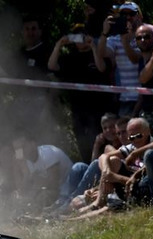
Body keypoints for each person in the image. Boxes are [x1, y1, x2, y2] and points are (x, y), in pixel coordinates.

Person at [48, 24, 111, 161]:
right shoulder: (69, 57)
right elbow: (52, 66)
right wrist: (59, 44)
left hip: (97, 107)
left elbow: (101, 68)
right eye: (76, 37)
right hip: (77, 107)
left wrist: (93, 46)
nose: (80, 40)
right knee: (82, 140)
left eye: (83, 36)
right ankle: (86, 165)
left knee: (98, 139)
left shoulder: (97, 54)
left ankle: (100, 165)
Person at [97, 2, 153, 117]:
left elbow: (135, 59)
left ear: (139, 16)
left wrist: (125, 41)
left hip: (146, 97)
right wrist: (104, 33)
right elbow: (102, 54)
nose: (127, 17)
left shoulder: (144, 38)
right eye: (123, 14)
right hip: (126, 97)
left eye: (131, 14)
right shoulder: (114, 39)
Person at [77, 117, 153, 213]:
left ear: (148, 131)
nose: (135, 140)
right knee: (112, 161)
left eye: (138, 136)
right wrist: (107, 173)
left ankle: (99, 203)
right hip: (122, 185)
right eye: (131, 137)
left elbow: (141, 177)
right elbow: (103, 157)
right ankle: (98, 202)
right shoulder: (131, 147)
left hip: (140, 187)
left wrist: (113, 178)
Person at [1, 133, 73, 214]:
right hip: (58, 190)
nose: (21, 151)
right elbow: (24, 188)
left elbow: (54, 184)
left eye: (23, 146)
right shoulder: (27, 162)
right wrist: (17, 168)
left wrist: (38, 187)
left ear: (33, 143)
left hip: (69, 185)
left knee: (40, 198)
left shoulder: (47, 153)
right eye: (17, 149)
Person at [15, 15, 53, 79]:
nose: (30, 33)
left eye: (33, 29)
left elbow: (53, 80)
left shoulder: (48, 52)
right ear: (22, 32)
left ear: (40, 32)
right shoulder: (19, 53)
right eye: (27, 29)